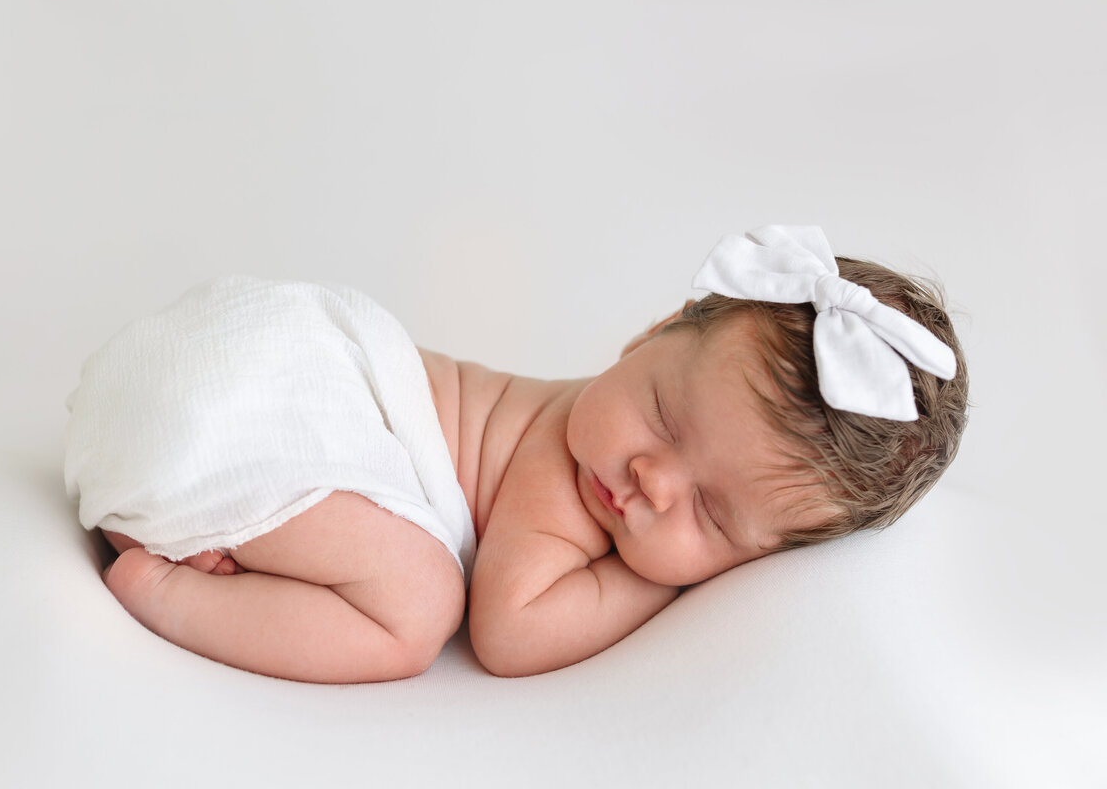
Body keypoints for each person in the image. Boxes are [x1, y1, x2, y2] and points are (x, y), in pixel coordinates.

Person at [64, 225, 968, 682]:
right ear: (648, 334)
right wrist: (672, 570)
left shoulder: (599, 441)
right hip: (275, 399)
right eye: (661, 414)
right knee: (417, 608)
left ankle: (217, 523)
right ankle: (166, 590)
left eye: (710, 511)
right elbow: (510, 632)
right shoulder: (562, 475)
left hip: (198, 375)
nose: (651, 481)